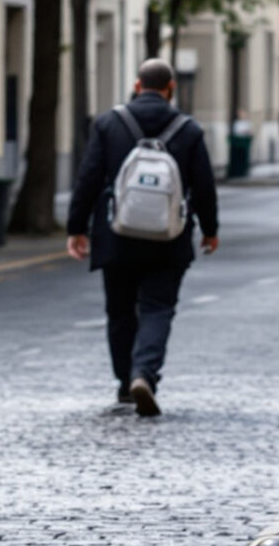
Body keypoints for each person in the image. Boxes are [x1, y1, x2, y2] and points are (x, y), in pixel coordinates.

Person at [66, 58, 220, 417]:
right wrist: (210, 230)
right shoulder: (188, 130)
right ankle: (144, 375)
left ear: (137, 86)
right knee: (158, 308)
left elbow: (88, 178)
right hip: (169, 238)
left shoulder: (108, 124)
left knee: (120, 311)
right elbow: (204, 186)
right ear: (171, 89)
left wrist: (76, 228)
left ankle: (124, 383)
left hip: (115, 235)